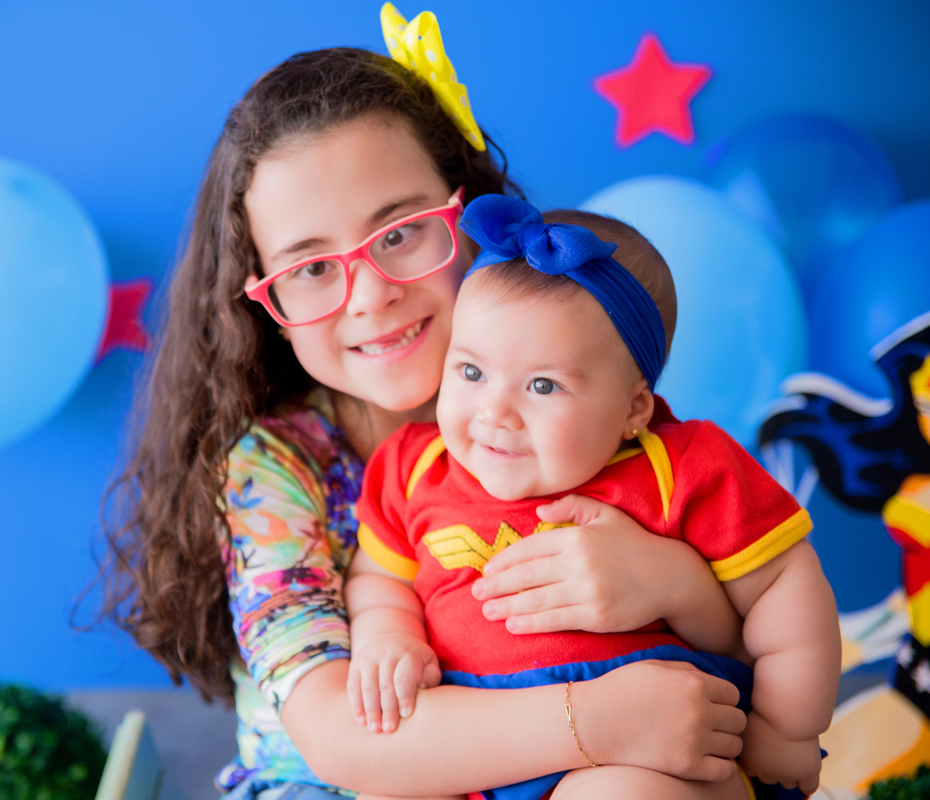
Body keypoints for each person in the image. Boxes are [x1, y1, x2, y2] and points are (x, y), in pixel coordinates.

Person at [99, 9, 751, 800]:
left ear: (473, 216)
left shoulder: (574, 397)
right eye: (310, 269)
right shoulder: (275, 470)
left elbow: (742, 642)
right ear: (261, 303)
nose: (370, 295)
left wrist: (674, 582)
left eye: (400, 232)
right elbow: (346, 746)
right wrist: (599, 719)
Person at [345, 197, 841, 799]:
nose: (494, 413)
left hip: (652, 745)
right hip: (474, 749)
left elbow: (785, 586)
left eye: (543, 385)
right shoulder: (415, 466)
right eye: (471, 372)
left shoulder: (679, 467)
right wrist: (387, 634)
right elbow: (378, 574)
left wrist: (788, 729)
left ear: (634, 408)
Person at [759, 304, 930, 792]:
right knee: (823, 774)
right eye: (927, 408)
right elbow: (918, 601)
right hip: (924, 669)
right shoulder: (918, 497)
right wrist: (846, 643)